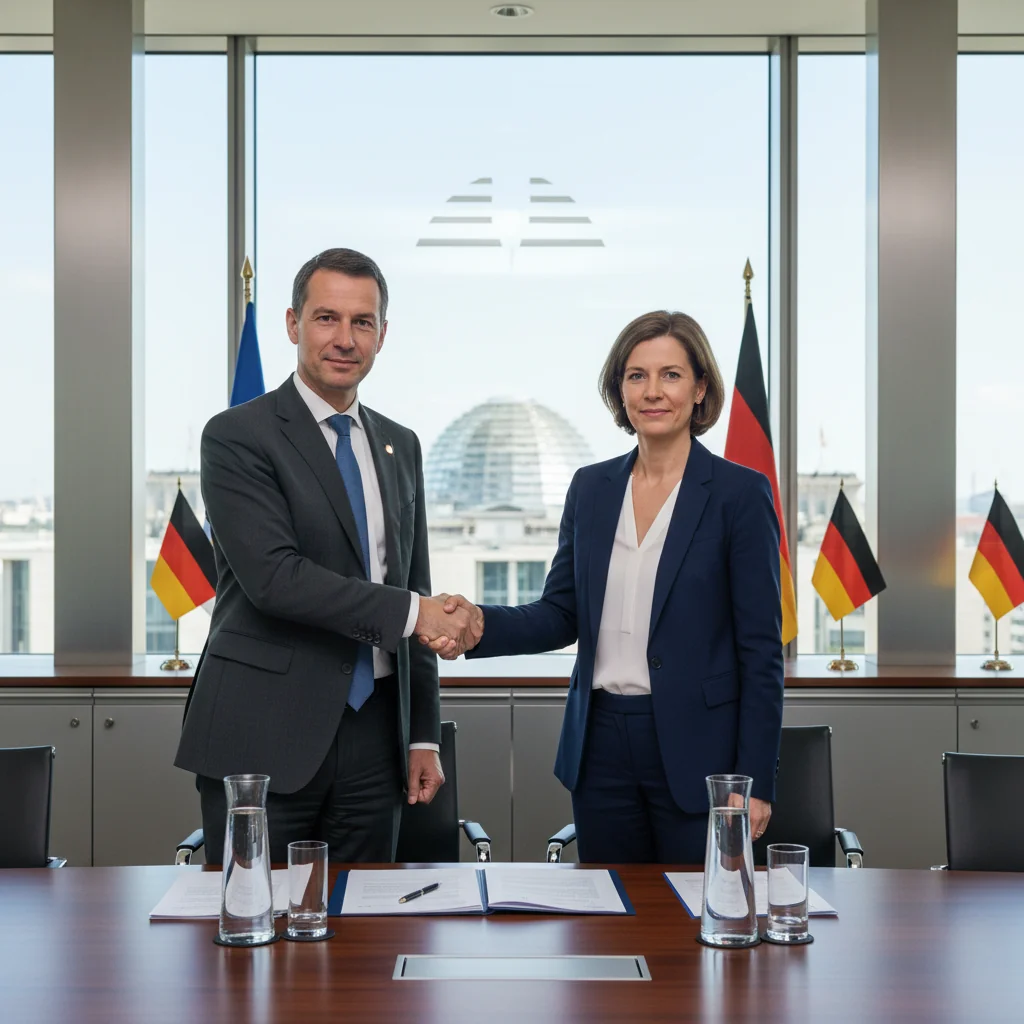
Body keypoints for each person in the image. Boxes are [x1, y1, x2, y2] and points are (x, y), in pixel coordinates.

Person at [425, 311, 784, 863]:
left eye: (671, 375)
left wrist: (754, 780)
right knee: (608, 918)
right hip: (600, 747)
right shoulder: (591, 488)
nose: (652, 391)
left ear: (700, 388)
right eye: (636, 375)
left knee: (693, 920)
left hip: (699, 750)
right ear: (620, 390)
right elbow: (560, 612)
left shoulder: (739, 494)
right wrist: (476, 625)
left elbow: (761, 652)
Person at [175, 247, 478, 863]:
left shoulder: (401, 444)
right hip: (263, 734)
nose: (345, 339)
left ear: (382, 335)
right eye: (326, 318)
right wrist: (418, 613)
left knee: (366, 936)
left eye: (362, 322)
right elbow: (276, 580)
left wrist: (422, 736)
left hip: (376, 743)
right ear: (293, 325)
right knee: (255, 934)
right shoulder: (237, 436)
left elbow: (411, 582)